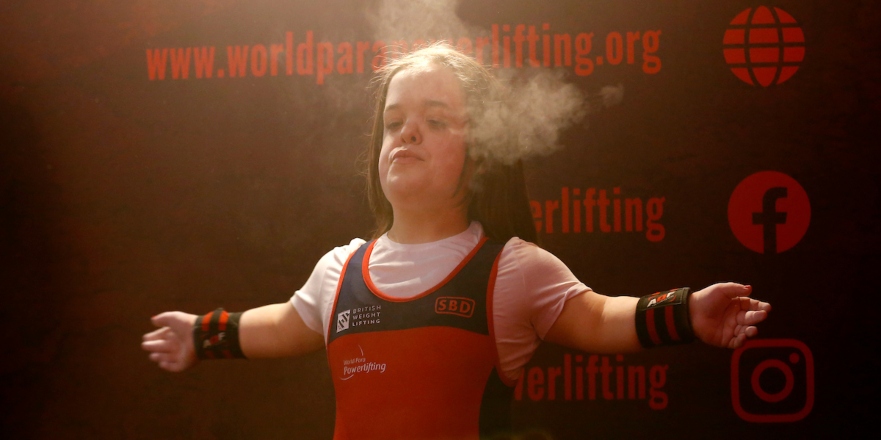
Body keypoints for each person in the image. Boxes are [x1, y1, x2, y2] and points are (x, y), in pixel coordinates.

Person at [142, 44, 771, 440]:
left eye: (435, 121)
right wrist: (203, 333)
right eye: (394, 123)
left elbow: (603, 316)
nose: (407, 133)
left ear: (480, 161)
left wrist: (686, 312)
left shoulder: (512, 271)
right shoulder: (338, 271)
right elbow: (281, 325)